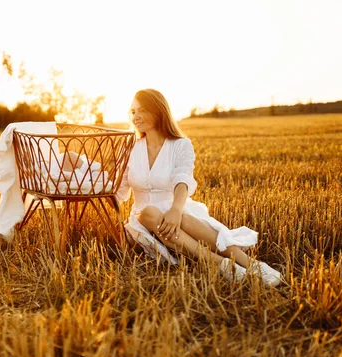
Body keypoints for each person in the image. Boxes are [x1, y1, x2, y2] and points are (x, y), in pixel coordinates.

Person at [116, 89, 282, 286]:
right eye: (133, 111)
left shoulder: (180, 145)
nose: (135, 116)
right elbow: (118, 190)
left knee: (185, 218)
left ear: (158, 111)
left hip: (176, 209)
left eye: (141, 110)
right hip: (143, 221)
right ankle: (220, 264)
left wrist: (176, 210)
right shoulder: (129, 148)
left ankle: (253, 265)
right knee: (148, 213)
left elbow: (182, 179)